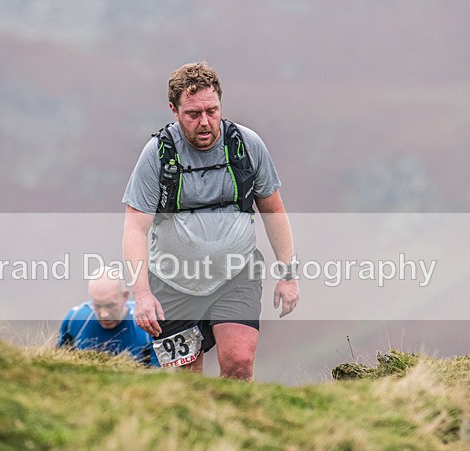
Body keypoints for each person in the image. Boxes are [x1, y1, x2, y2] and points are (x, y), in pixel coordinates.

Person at [122, 61, 299, 380]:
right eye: (193, 114)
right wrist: (142, 293)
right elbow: (136, 226)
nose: (205, 122)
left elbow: (273, 211)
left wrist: (287, 274)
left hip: (236, 275)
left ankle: (235, 427)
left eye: (212, 110)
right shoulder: (157, 155)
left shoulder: (247, 145)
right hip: (172, 282)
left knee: (239, 362)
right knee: (185, 379)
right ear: (174, 110)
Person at [57, 271, 158, 367]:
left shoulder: (147, 327)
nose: (104, 315)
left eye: (110, 305)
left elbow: (159, 377)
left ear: (125, 296)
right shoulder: (74, 320)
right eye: (97, 305)